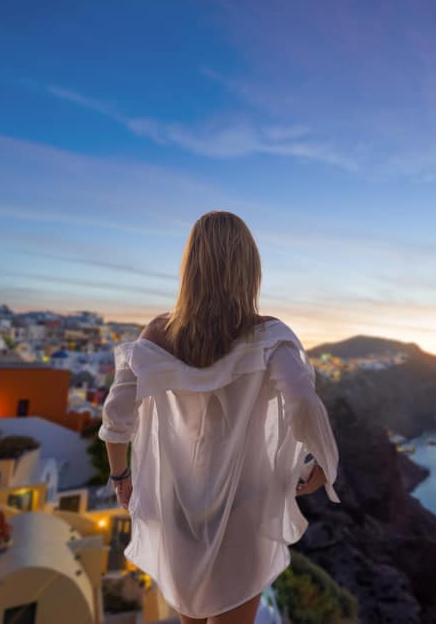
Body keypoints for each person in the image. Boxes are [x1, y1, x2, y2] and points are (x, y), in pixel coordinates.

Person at [98, 210, 341, 624]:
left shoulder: (157, 335)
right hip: (244, 502)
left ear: (190, 267)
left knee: (190, 616)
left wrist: (121, 476)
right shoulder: (270, 337)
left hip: (178, 502)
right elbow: (302, 401)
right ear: (250, 270)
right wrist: (322, 461)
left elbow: (116, 414)